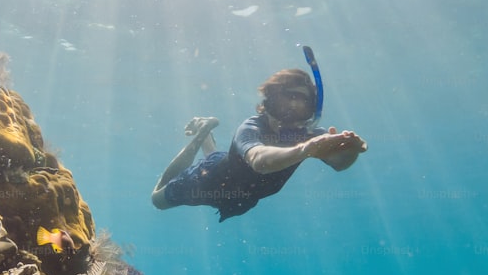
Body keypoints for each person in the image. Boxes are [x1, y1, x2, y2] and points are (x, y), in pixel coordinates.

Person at [151, 68, 367, 221]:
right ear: (266, 105)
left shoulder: (310, 136)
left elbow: (339, 162)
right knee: (157, 201)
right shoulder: (251, 127)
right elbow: (259, 160)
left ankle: (205, 130)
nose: (289, 113)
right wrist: (305, 150)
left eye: (301, 104)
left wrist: (350, 149)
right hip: (205, 183)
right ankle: (200, 136)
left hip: (240, 194)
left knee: (215, 157)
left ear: (312, 110)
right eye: (284, 102)